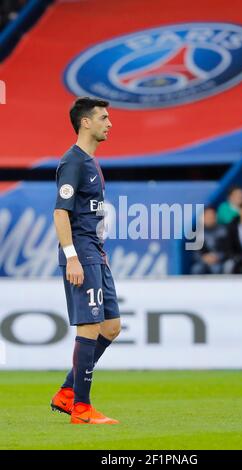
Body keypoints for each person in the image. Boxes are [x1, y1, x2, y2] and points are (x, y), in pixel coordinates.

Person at [51, 97, 121, 425]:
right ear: (85, 123)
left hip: (97, 253)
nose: (109, 123)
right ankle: (81, 408)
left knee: (111, 326)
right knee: (90, 326)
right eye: (103, 118)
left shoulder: (91, 162)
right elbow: (60, 212)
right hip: (82, 254)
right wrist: (72, 257)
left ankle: (67, 391)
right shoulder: (73, 162)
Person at [190, 207, 227, 274]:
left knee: (217, 268)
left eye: (212, 216)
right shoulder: (198, 232)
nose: (210, 218)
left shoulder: (223, 231)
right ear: (203, 218)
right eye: (208, 216)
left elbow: (226, 249)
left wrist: (217, 257)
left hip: (219, 260)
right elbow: (196, 252)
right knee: (197, 269)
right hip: (203, 261)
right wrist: (204, 258)